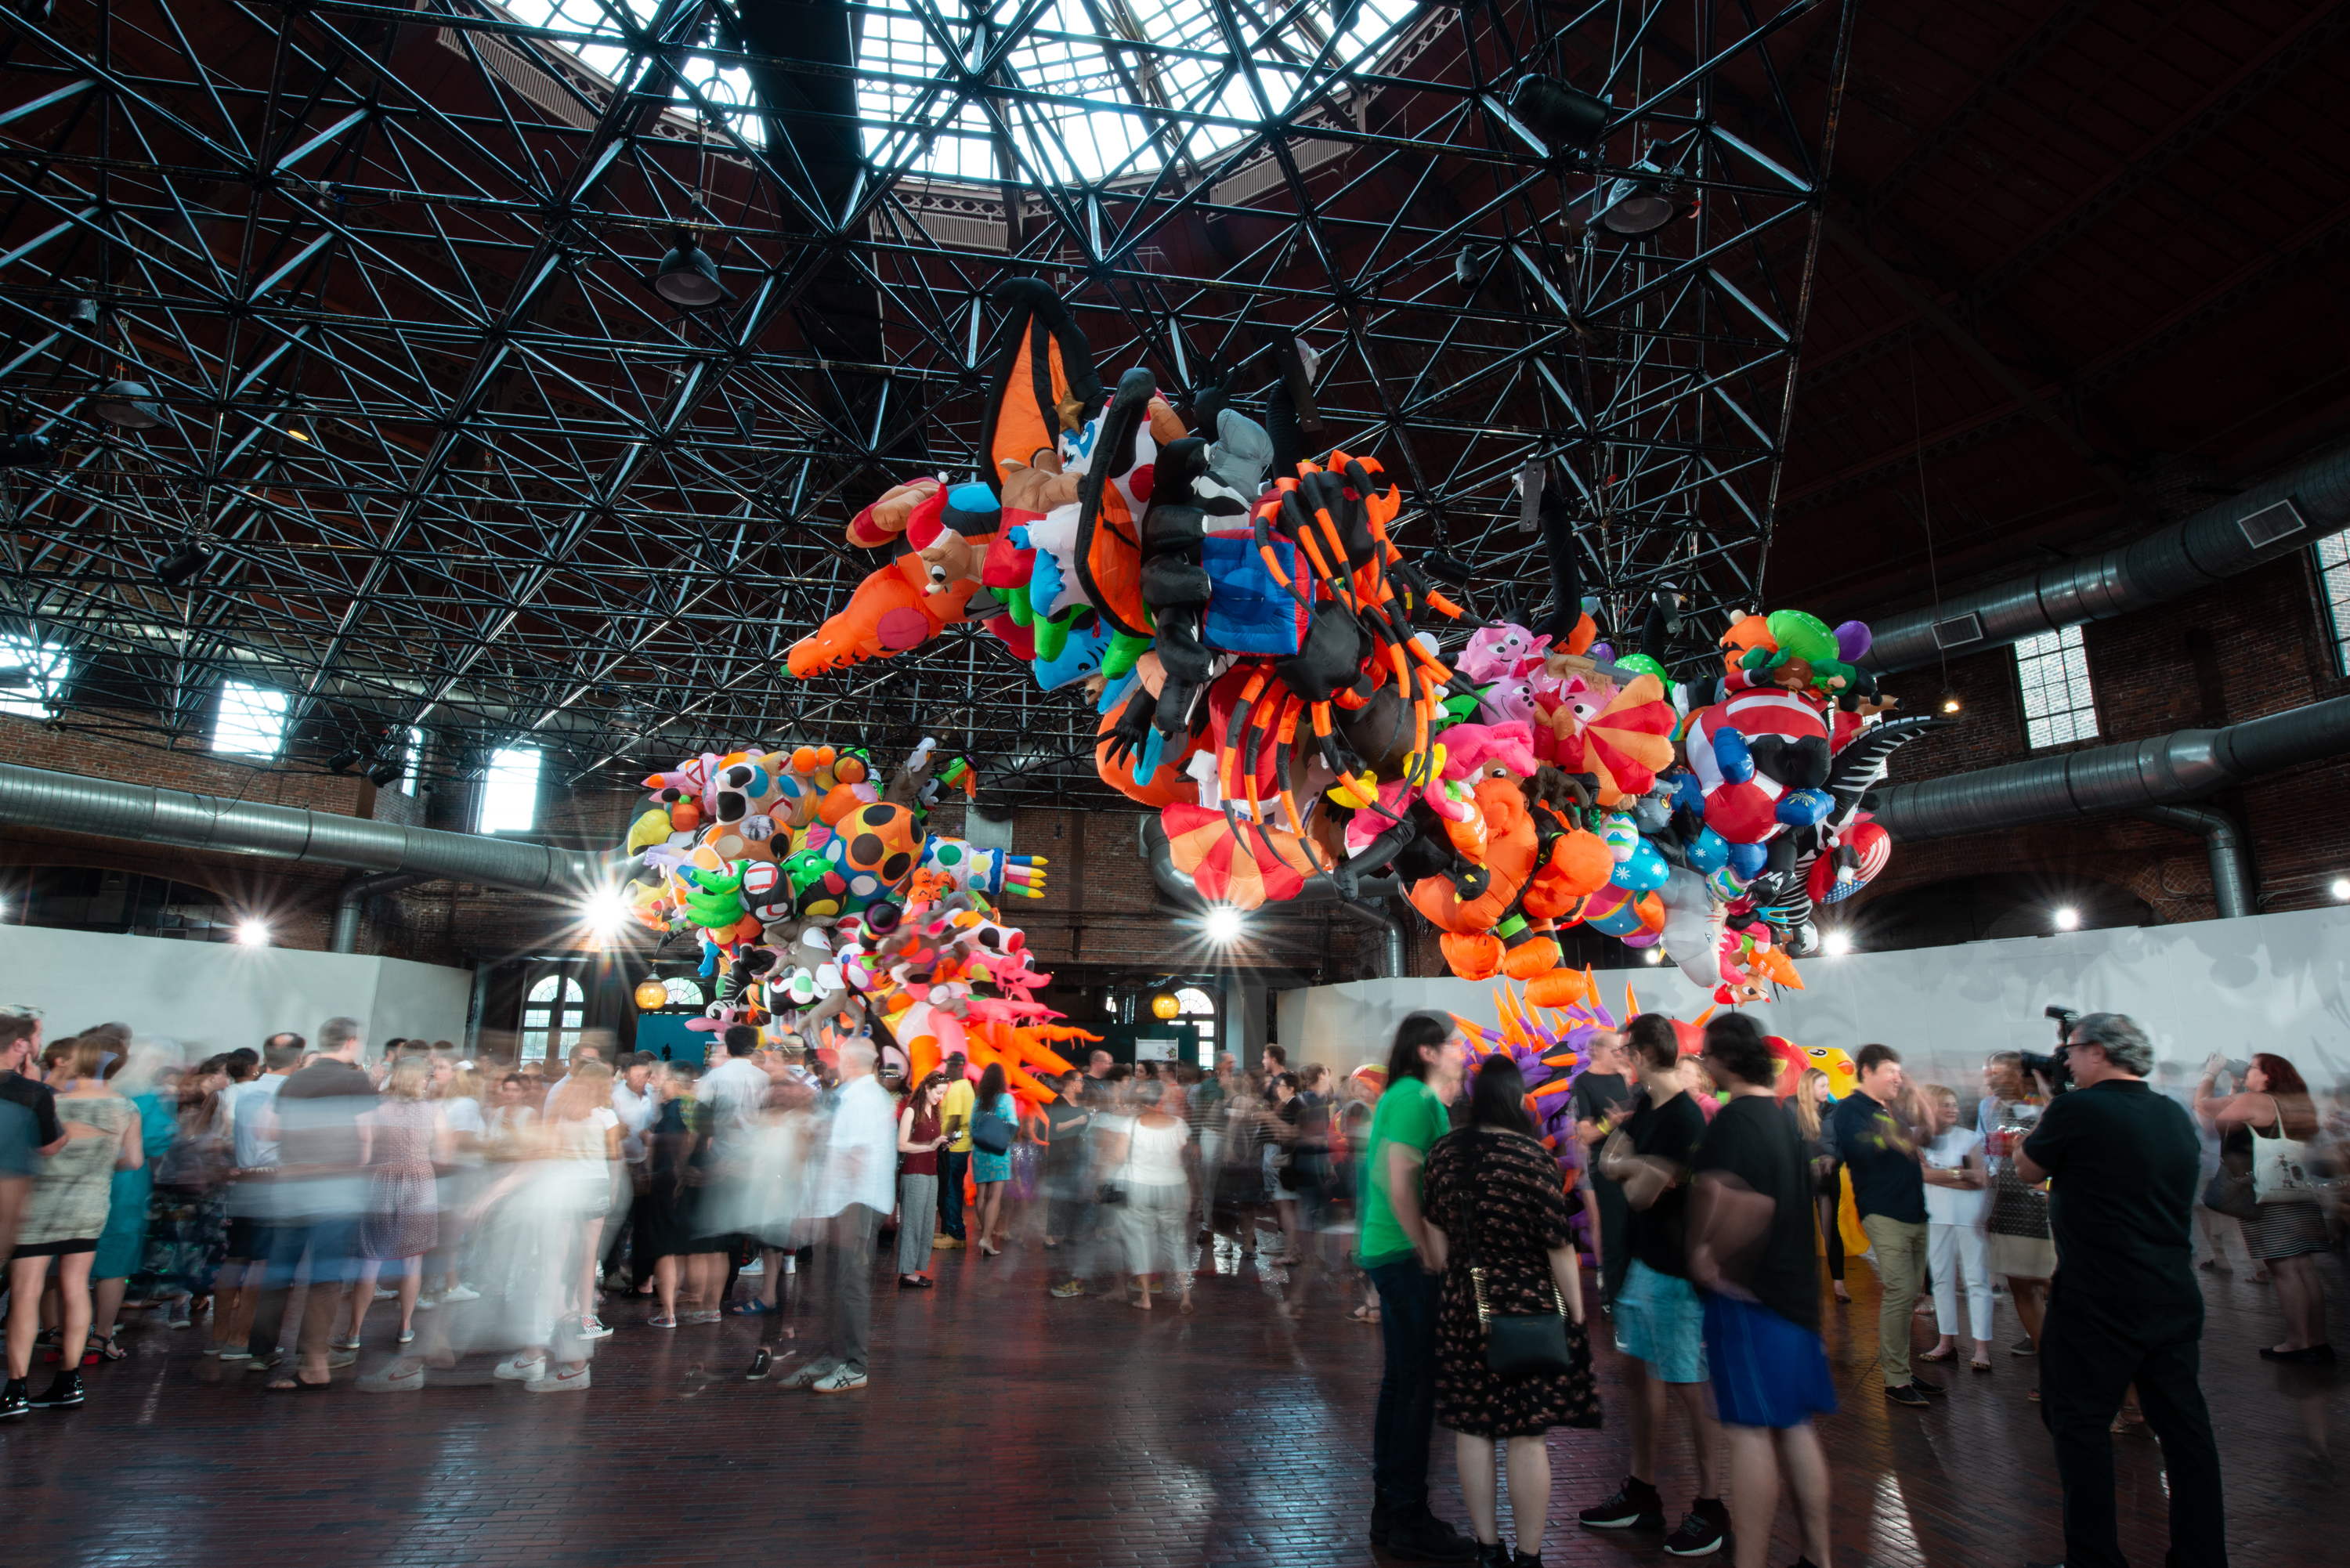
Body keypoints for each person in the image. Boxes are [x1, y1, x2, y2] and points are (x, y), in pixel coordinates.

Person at [2016, 1013, 2226, 1568]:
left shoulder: (2077, 1109)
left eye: (2072, 1050)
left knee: (2078, 1424)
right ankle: (2202, 1557)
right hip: (2172, 1290)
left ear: (2100, 1053)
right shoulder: (2172, 1114)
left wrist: (2044, 1115)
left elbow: (2026, 1171)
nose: (2066, 1060)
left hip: (2098, 1296)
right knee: (2185, 1432)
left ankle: (2094, 1558)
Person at [1423, 1054, 1599, 1568]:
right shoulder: (1531, 1155)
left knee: (1473, 1428)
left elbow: (1435, 1248)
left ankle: (1487, 1548)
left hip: (1464, 1303)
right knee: (1527, 1434)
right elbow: (1559, 1245)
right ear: (1518, 1098)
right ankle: (1529, 1556)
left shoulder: (1444, 1153)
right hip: (1528, 1306)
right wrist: (1578, 1315)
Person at [1685, 1013, 1836, 1568]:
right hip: (1796, 1296)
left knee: (1749, 1433)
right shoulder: (1781, 1119)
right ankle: (1817, 1557)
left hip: (1752, 1302)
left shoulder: (1732, 1123)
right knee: (1795, 1428)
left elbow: (1746, 1204)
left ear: (1723, 1059)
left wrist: (1706, 1256)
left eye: (1705, 1054)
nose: (1701, 1063)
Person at [1585, 1013, 1728, 1555]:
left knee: (1688, 1386)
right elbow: (1609, 1160)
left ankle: (1712, 1504)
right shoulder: (1647, 1107)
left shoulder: (1684, 1119)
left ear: (1643, 1053)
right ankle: (1642, 1490)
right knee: (1639, 1375)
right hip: (1646, 1264)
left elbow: (1640, 1191)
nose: (1621, 1059)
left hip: (1678, 1270)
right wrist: (1632, 1167)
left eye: (1626, 1051)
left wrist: (1629, 1167)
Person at [1360, 1012, 1478, 1561]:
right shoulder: (1415, 1099)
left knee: (1403, 1381)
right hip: (1405, 1254)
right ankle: (1407, 1512)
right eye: (1456, 1045)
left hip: (1392, 1250)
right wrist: (1427, 1247)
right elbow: (1398, 1173)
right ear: (1429, 1051)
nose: (1463, 1051)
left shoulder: (1405, 1095)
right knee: (1417, 1384)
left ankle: (1392, 1507)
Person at [4, 1035, 140, 1415]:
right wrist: (97, 1162)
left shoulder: (47, 1099)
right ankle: (69, 1381)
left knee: (26, 1292)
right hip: (89, 1204)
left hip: (38, 1206)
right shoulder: (126, 1107)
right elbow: (132, 1160)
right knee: (77, 1288)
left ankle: (15, 1388)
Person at [247, 1017, 374, 1391]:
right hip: (335, 1188)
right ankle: (314, 1359)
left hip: (290, 1186)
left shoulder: (294, 1079)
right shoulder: (355, 1079)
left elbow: (266, 1129)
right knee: (325, 1276)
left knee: (279, 1271)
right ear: (351, 1042)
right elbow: (368, 1137)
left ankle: (261, 1350)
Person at [2194, 1051, 2330, 1360]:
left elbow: (2206, 1114)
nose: (2247, 1071)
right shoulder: (2294, 1102)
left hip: (2268, 1196)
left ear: (2268, 1076)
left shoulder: (2256, 1101)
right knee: (2304, 1268)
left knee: (2283, 1268)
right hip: (2298, 1192)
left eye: (2252, 1068)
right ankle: (2317, 1341)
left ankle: (2297, 1343)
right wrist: (2237, 1089)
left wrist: (2211, 1074)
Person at [1825, 1042, 1940, 1408]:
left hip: (1914, 1209)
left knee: (1912, 1292)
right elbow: (1861, 1152)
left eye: (1899, 1071)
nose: (1898, 1077)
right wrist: (1891, 1138)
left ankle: (1901, 1368)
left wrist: (1922, 1103)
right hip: (1882, 1210)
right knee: (1899, 1290)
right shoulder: (1850, 1109)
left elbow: (1926, 1138)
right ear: (1866, 1072)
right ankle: (1894, 1379)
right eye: (1890, 1071)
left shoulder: (1892, 1108)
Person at [778, 1036, 893, 1394]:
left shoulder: (863, 1099)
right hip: (845, 1205)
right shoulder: (857, 1097)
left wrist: (825, 1209)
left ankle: (855, 1364)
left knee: (850, 1286)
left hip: (854, 1205)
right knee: (834, 1285)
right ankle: (836, 1355)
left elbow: (853, 1157)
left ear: (850, 1063)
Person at [343, 1054, 440, 1354]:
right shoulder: (435, 1111)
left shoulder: (377, 1110)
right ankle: (405, 1326)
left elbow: (363, 1155)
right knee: (413, 1260)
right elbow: (446, 1151)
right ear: (421, 1080)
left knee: (371, 1259)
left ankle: (354, 1331)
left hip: (382, 1179)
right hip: (421, 1181)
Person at [1979, 1051, 2055, 1358]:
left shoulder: (2047, 1108)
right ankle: (2051, 1365)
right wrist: (1990, 1209)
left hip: (2044, 1212)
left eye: (1999, 1073)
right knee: (2020, 1287)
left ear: (2024, 1076)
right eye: (1989, 1074)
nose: (1991, 1080)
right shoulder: (1996, 1109)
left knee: (2055, 1287)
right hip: (2009, 1210)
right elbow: (1995, 1162)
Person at [1916, 1083, 1993, 1372]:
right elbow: (1919, 1174)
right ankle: (1946, 1341)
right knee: (1942, 1280)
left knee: (1977, 1280)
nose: (1952, 1110)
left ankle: (1982, 1347)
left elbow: (1981, 1178)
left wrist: (1937, 1174)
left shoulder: (1970, 1138)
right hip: (1935, 1216)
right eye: (1945, 1105)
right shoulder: (1916, 1137)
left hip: (1969, 1216)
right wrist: (1960, 1174)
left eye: (1954, 1105)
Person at [1104, 1078, 1193, 1312]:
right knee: (1176, 1240)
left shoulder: (1131, 1125)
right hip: (1174, 1186)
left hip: (1138, 1186)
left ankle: (1145, 1297)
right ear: (1162, 1100)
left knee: (1140, 1239)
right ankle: (1185, 1294)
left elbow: (1119, 1156)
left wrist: (1103, 1176)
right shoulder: (1179, 1125)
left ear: (1143, 1103)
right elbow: (1183, 1153)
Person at [1571, 1028, 1634, 1308]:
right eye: (1615, 1050)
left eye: (1622, 1049)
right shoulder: (1584, 1082)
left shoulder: (1626, 1076)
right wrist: (1611, 1123)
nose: (1620, 1054)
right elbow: (1585, 1134)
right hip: (1605, 1166)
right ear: (1596, 1050)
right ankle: (1614, 1298)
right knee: (1612, 1233)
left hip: (1632, 1163)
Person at [2, 1014, 70, 1272]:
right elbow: (50, 1147)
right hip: (11, 1191)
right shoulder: (33, 1091)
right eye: (37, 1037)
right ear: (20, 1045)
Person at [1784, 1067, 1849, 1304]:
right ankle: (1801, 1283)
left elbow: (1842, 1143)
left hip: (1829, 1176)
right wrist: (1809, 1162)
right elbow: (1790, 1142)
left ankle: (1839, 1284)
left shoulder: (1835, 1109)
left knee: (1830, 1229)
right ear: (1809, 1087)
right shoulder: (1791, 1106)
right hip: (1802, 1177)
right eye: (1823, 1086)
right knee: (1801, 1229)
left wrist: (1834, 1160)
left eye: (1828, 1085)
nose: (1827, 1090)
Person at [896, 1071, 948, 1288]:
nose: (940, 1097)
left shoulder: (933, 1111)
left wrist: (941, 1143)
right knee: (913, 1224)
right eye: (938, 1092)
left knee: (926, 1224)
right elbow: (901, 1145)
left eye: (944, 1094)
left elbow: (930, 1142)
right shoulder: (911, 1110)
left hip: (930, 1172)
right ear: (927, 1088)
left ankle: (913, 1270)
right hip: (915, 1172)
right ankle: (907, 1273)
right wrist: (930, 1146)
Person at [967, 1061, 1017, 1256]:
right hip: (999, 1153)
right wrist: (1003, 1139)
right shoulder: (1006, 1099)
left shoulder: (978, 1100)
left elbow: (972, 1127)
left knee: (982, 1195)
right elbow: (1013, 1124)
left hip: (980, 1152)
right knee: (995, 1196)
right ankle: (986, 1238)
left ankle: (984, 1234)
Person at [937, 1052, 973, 1248]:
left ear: (958, 1067)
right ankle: (953, 1232)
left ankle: (955, 1234)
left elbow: (954, 1119)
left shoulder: (958, 1089)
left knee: (951, 1190)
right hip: (961, 1146)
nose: (946, 1070)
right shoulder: (965, 1086)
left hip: (955, 1147)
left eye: (949, 1066)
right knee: (953, 1189)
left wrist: (943, 1144)